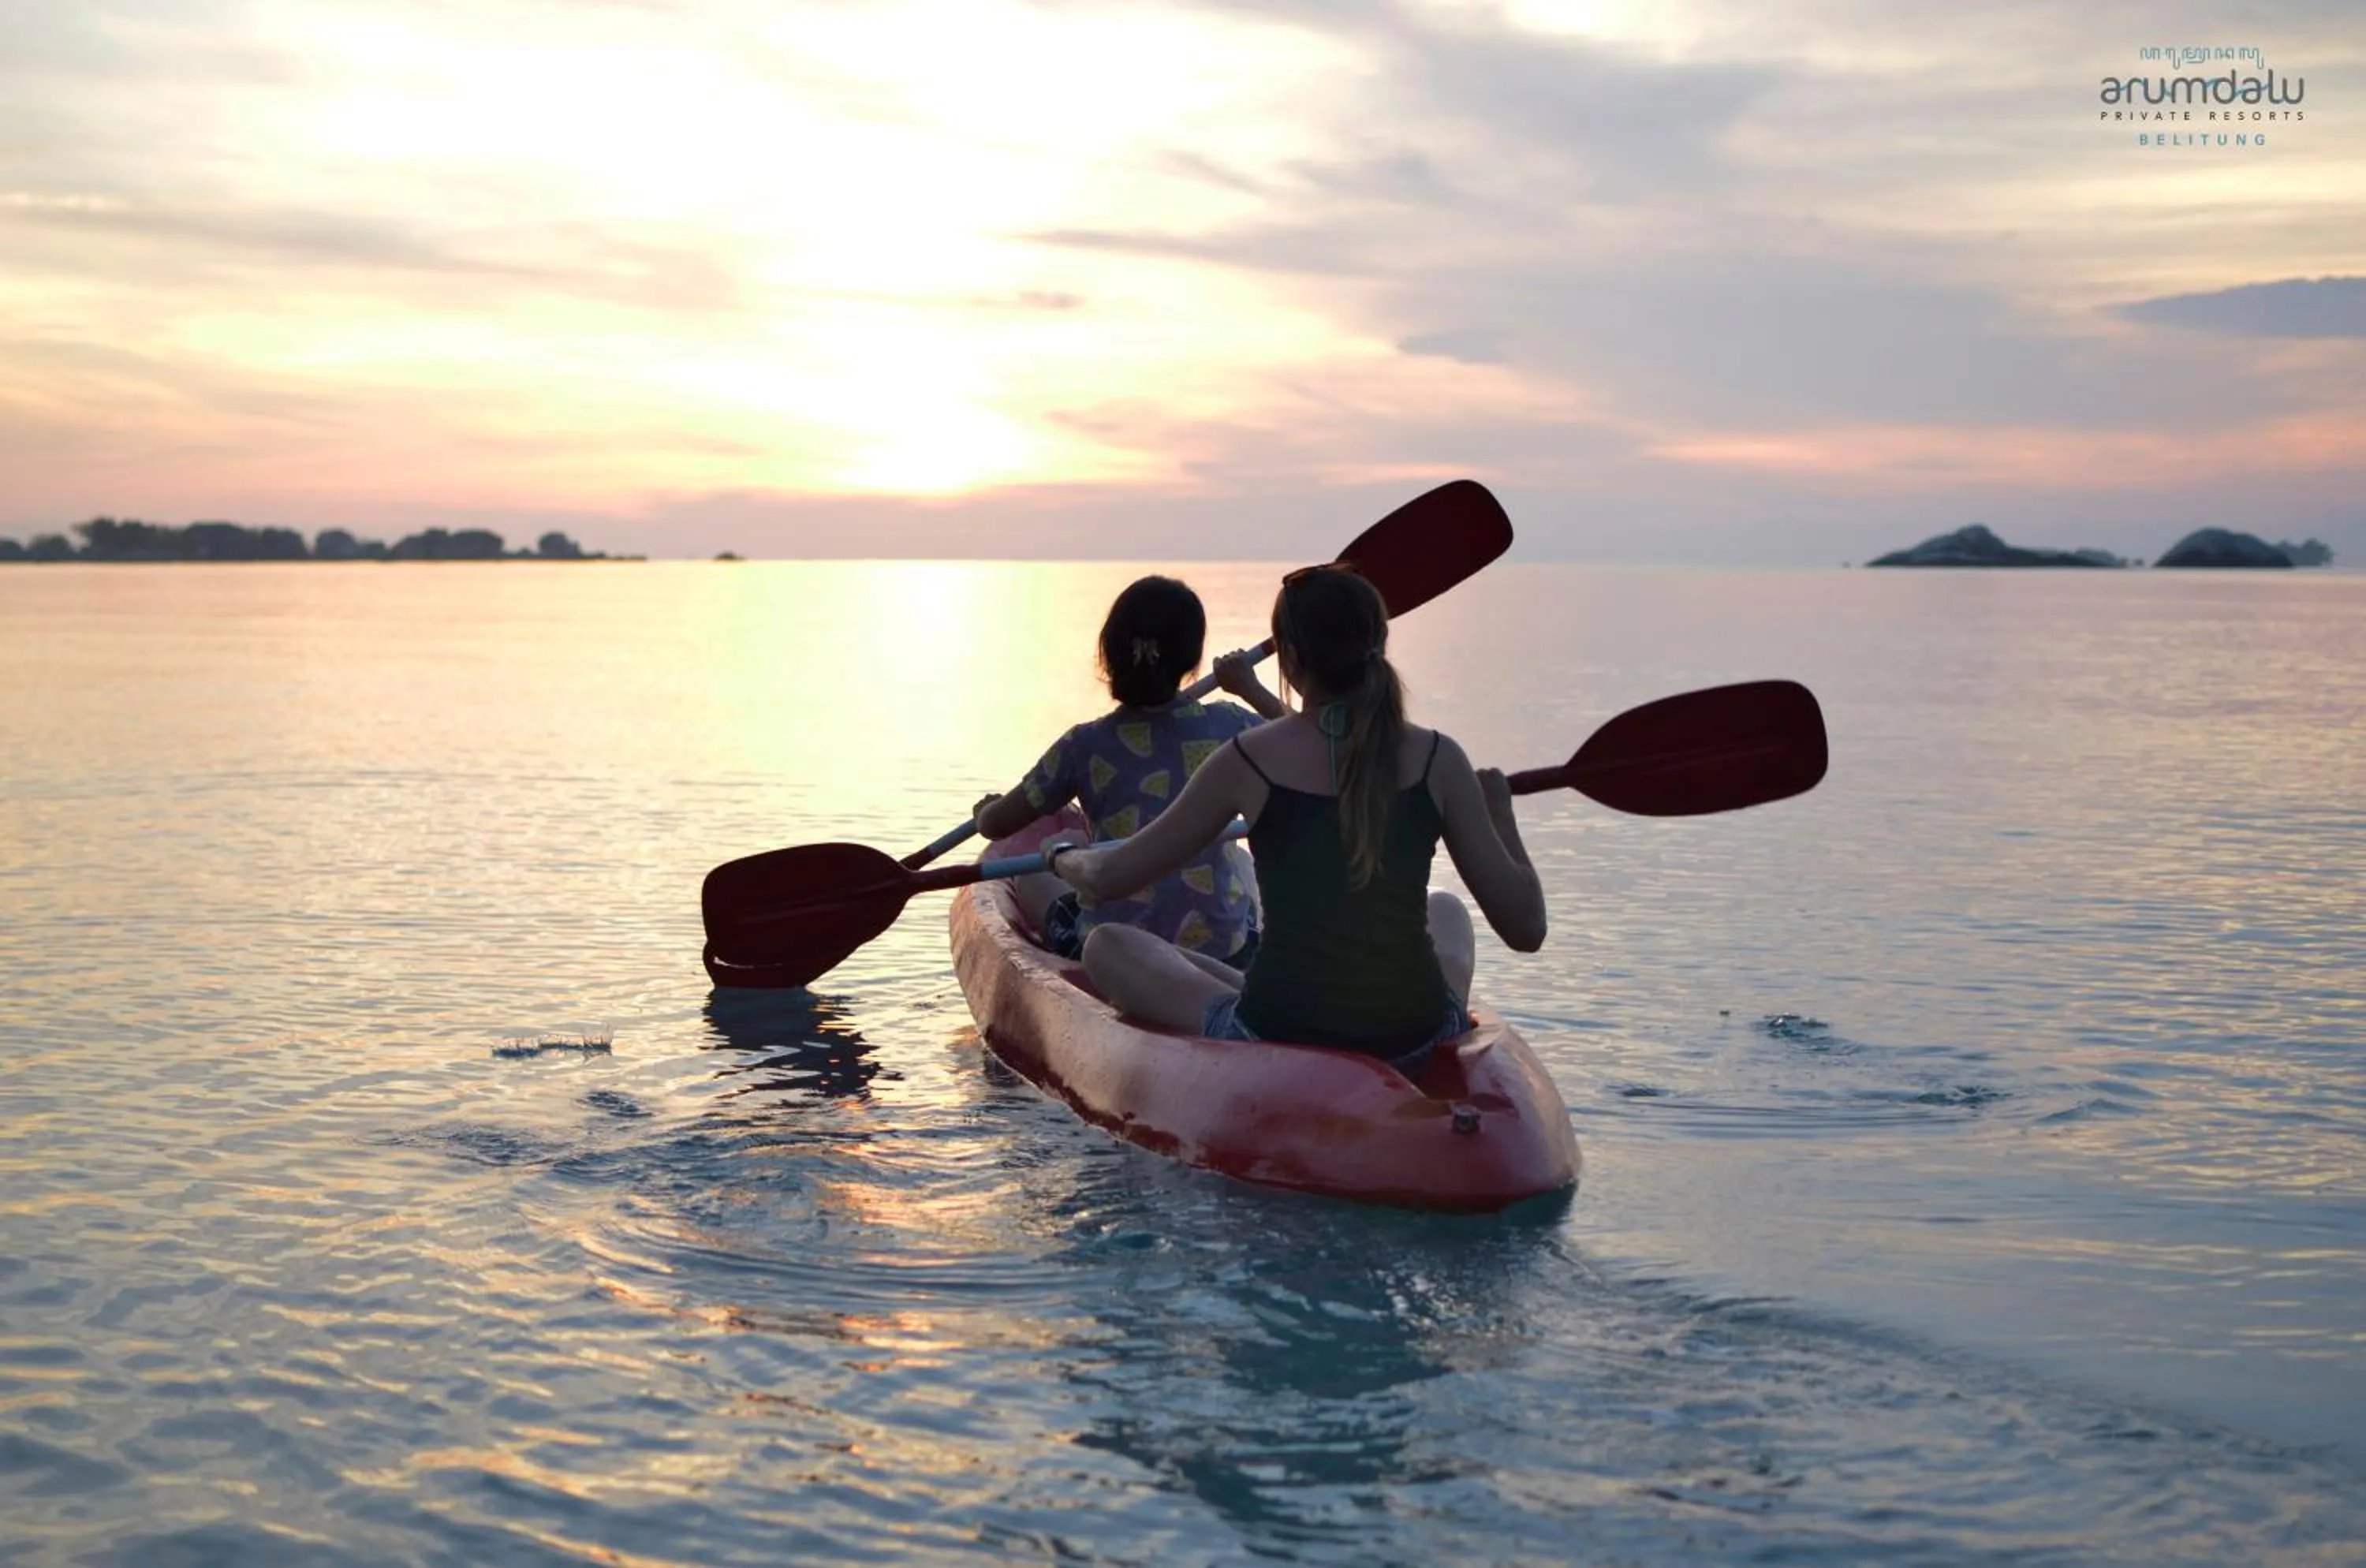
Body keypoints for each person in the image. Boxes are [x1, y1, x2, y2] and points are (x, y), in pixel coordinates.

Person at [1043, 562, 1545, 1071]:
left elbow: (1108, 878)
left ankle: (1266, 1001)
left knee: (1108, 945)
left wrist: (1063, 856)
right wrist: (1500, 814)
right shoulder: (1441, 758)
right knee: (1447, 909)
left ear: (1290, 660)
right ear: (1378, 644)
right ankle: (1427, 1030)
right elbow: (1527, 929)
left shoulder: (1249, 758)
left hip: (1275, 1031)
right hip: (1412, 1031)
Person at [971, 574, 1287, 965]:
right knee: (1237, 859)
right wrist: (1250, 689)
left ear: (1110, 656)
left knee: (1032, 876)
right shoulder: (1231, 725)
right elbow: (1318, 743)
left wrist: (984, 812)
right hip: (1223, 950)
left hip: (1119, 952)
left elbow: (996, 826)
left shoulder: (1082, 746)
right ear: (1191, 662)